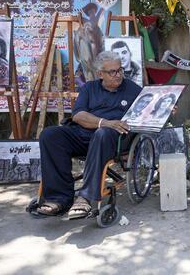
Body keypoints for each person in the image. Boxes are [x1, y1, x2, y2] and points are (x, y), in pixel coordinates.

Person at [36, 51, 142, 219]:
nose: (118, 75)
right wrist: (105, 122)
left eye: (120, 69)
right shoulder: (90, 88)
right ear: (100, 74)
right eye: (112, 72)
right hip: (84, 134)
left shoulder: (133, 89)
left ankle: (85, 197)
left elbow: (150, 108)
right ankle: (58, 198)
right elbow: (78, 116)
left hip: (114, 139)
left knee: (102, 134)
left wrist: (167, 110)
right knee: (50, 135)